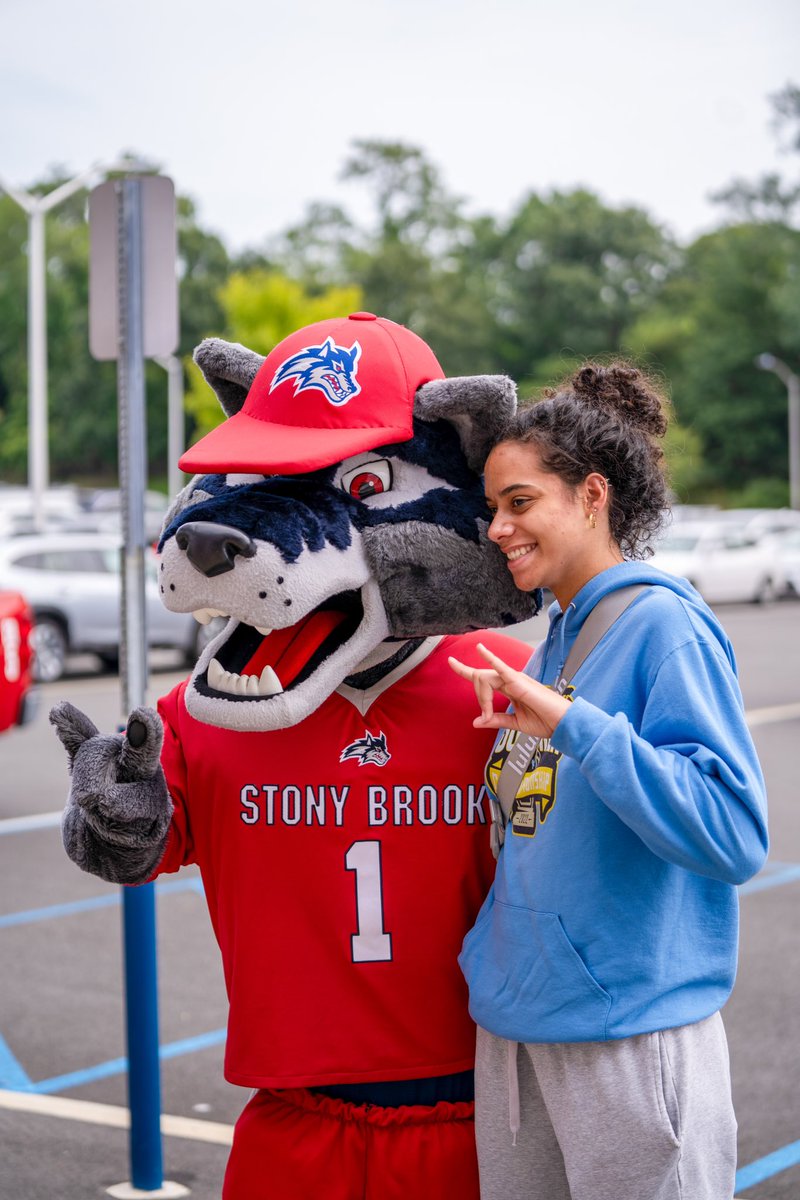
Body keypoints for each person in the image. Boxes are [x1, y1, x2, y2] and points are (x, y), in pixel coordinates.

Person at [448, 362, 768, 1200]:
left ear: (592, 496)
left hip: (630, 1036)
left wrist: (576, 726)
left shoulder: (664, 625)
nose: (498, 527)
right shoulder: (555, 642)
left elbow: (734, 833)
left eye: (520, 502)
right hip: (522, 1027)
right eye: (493, 507)